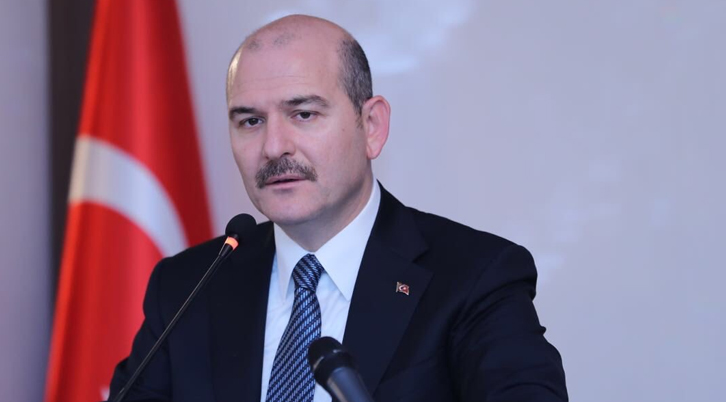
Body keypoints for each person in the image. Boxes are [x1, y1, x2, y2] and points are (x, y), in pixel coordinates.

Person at [109, 14, 568, 402]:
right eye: (250, 121)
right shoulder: (187, 288)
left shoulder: (475, 278)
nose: (273, 146)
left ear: (372, 127)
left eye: (303, 114)